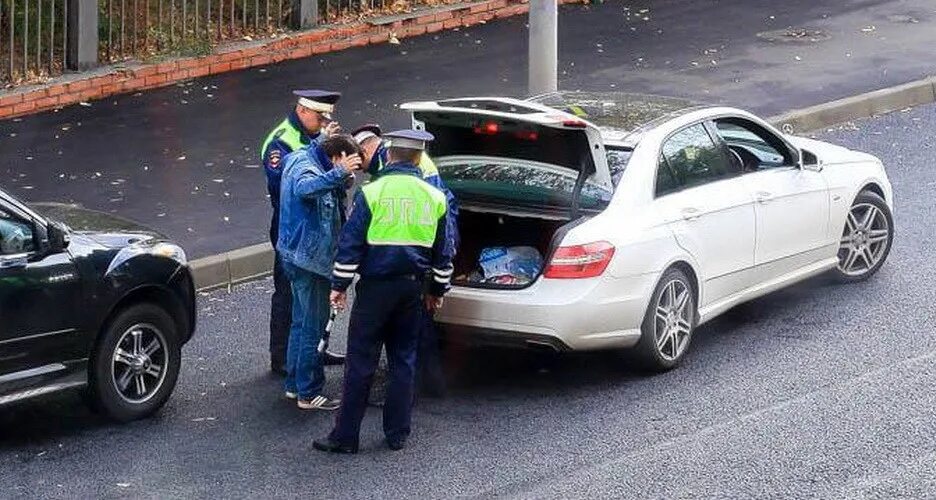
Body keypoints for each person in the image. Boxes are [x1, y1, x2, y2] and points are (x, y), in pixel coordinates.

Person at [313, 130, 454, 453]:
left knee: (361, 362)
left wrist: (339, 286)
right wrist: (436, 289)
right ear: (418, 158)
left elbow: (351, 245)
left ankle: (346, 437)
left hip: (375, 290)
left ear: (390, 156)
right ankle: (397, 433)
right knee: (404, 359)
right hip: (411, 289)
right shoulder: (435, 197)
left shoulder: (372, 192)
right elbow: (442, 252)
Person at [352, 125, 457, 397]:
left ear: (370, 150)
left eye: (357, 158)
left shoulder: (394, 174)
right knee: (413, 333)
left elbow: (426, 221)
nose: (356, 167)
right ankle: (424, 387)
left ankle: (424, 387)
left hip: (408, 263)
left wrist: (435, 281)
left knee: (414, 334)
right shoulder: (400, 163)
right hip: (416, 263)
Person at [261, 89, 346, 376]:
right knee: (289, 293)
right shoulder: (281, 141)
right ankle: (283, 356)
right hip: (293, 224)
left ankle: (315, 349)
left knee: (319, 290)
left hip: (318, 223)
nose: (324, 124)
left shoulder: (314, 137)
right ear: (303, 111)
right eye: (320, 118)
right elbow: (283, 185)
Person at [277, 133, 363, 410]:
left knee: (300, 323)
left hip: (294, 255)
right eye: (349, 165)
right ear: (337, 157)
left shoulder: (304, 157)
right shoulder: (309, 168)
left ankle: (294, 385)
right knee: (313, 327)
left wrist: (341, 177)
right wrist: (339, 174)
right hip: (310, 262)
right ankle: (309, 392)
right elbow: (305, 188)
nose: (351, 176)